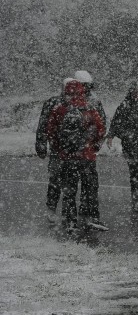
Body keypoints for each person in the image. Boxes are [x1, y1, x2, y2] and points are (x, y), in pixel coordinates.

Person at [45, 80, 106, 232]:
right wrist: (93, 145)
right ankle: (89, 217)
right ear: (82, 92)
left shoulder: (60, 109)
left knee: (69, 190)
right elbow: (100, 129)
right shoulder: (89, 108)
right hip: (87, 157)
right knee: (89, 187)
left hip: (67, 157)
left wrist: (60, 148)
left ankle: (69, 220)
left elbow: (50, 131)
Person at [36, 78, 74, 223]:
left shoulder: (78, 104)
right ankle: (51, 208)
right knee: (55, 179)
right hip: (57, 149)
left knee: (70, 181)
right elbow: (43, 124)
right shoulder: (53, 102)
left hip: (73, 150)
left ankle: (67, 210)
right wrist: (41, 143)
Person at [106, 83, 138, 212]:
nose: (137, 94)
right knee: (134, 171)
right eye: (134, 92)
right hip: (130, 144)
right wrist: (111, 136)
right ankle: (135, 195)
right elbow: (116, 122)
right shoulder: (124, 106)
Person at [73, 70, 106, 226]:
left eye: (87, 86)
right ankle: (76, 215)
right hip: (74, 151)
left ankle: (89, 213)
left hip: (87, 150)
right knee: (73, 185)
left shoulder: (94, 101)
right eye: (83, 85)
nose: (85, 89)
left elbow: (102, 122)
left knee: (90, 183)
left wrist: (98, 141)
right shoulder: (70, 101)